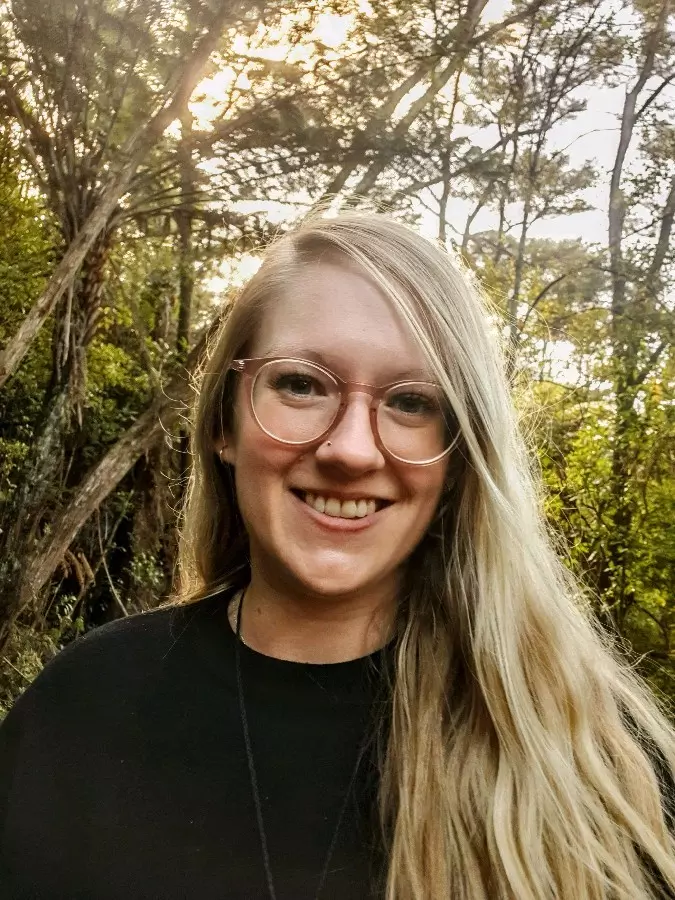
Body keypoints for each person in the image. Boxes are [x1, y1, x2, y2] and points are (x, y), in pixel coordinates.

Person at [1, 211, 674, 900]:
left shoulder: (595, 761)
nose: (351, 450)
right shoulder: (84, 710)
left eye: (411, 401)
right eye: (301, 384)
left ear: (458, 459)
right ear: (225, 424)